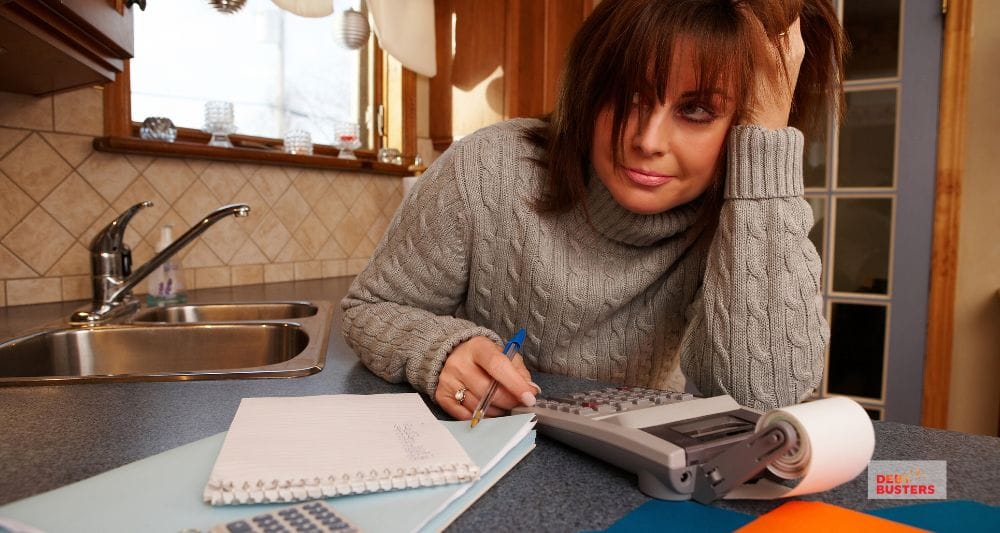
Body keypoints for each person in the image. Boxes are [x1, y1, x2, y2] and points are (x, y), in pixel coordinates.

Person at [342, 0, 846, 421]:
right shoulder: (485, 168)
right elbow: (370, 309)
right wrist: (441, 349)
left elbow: (765, 397)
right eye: (626, 96)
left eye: (697, 110)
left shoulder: (740, 212)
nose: (646, 140)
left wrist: (766, 149)